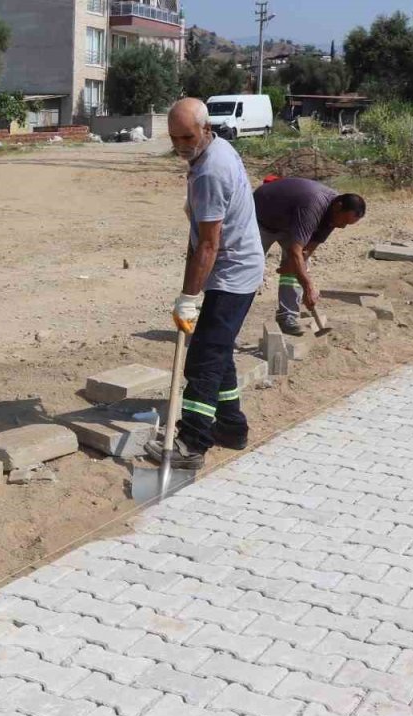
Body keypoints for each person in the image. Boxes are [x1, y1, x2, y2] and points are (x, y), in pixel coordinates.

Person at [147, 98, 265, 470]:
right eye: (174, 137)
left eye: (188, 136)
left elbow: (209, 245)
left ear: (205, 130)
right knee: (218, 350)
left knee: (202, 361)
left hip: (232, 272)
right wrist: (189, 292)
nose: (181, 145)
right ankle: (232, 429)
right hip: (231, 268)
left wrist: (189, 298)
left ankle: (191, 443)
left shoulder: (210, 173)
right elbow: (198, 238)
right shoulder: (217, 149)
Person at [253, 177, 366, 335]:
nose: (342, 226)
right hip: (261, 216)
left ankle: (287, 318)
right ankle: (229, 317)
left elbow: (306, 251)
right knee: (250, 266)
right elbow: (295, 250)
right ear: (338, 207)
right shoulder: (313, 205)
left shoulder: (334, 216)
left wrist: (295, 267)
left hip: (289, 223)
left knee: (299, 266)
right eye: (344, 221)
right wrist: (308, 287)